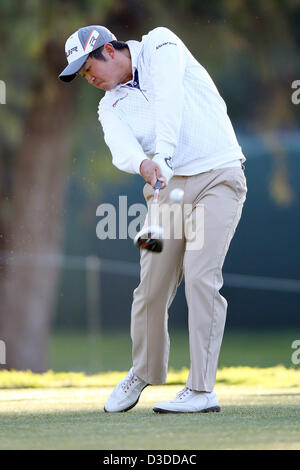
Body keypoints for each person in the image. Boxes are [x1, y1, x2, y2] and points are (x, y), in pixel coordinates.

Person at [59, 25, 247, 413]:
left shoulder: (161, 43)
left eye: (88, 66)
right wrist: (144, 162)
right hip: (166, 194)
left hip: (220, 177)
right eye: (80, 74)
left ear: (110, 50)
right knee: (150, 284)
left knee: (200, 276)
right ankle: (143, 371)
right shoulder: (108, 105)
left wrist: (162, 152)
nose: (88, 78)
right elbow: (120, 148)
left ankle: (201, 390)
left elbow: (169, 99)